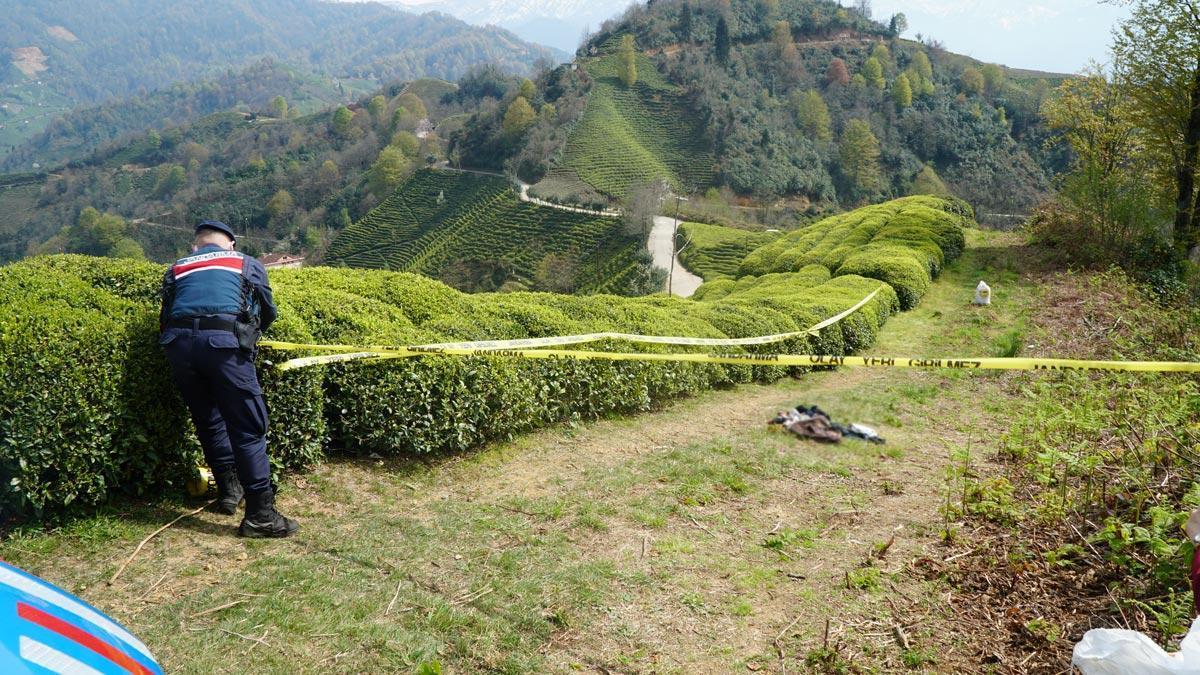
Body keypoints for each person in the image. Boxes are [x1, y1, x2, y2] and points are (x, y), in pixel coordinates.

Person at [158, 220, 298, 538]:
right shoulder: (244, 263)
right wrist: (251, 335)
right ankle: (261, 516)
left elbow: (166, 315)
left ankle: (229, 491)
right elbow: (268, 310)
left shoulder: (177, 268)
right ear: (230, 244)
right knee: (248, 428)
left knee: (208, 420)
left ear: (196, 247)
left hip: (178, 348)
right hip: (224, 348)